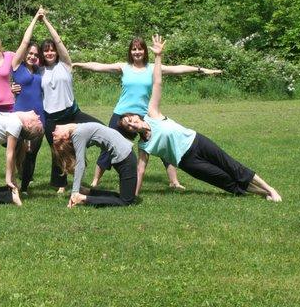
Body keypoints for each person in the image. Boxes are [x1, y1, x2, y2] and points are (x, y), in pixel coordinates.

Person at [118, 35, 282, 202]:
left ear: (136, 116)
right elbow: (140, 170)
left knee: (231, 166)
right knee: (223, 180)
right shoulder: (144, 145)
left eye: (131, 119)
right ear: (130, 131)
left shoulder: (152, 114)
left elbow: (157, 83)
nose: (132, 123)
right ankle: (263, 194)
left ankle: (270, 189)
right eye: (128, 126)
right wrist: (134, 195)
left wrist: (159, 56)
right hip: (187, 163)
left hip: (196, 142)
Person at [73, 38, 222, 194]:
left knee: (164, 144)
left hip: (145, 115)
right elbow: (98, 66)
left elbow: (177, 69)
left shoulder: (153, 68)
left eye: (140, 49)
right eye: (134, 49)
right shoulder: (124, 67)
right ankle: (96, 181)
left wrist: (200, 69)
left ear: (145, 51)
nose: (137, 52)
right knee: (109, 147)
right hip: (121, 115)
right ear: (130, 52)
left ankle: (174, 181)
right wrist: (78, 64)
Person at [38, 10, 102, 193]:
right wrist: (14, 88)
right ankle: (62, 184)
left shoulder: (65, 65)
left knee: (100, 130)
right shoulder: (40, 71)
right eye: (46, 50)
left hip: (72, 114)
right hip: (51, 118)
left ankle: (98, 167)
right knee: (58, 151)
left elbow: (58, 40)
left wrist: (46, 21)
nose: (50, 52)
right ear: (43, 54)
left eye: (52, 50)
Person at [52, 122, 137, 207]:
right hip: (126, 158)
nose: (53, 133)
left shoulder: (79, 128)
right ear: (65, 136)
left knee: (124, 197)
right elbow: (80, 164)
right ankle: (82, 198)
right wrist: (75, 192)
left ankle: (87, 193)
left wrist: (76, 191)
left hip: (124, 157)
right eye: (55, 136)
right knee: (126, 201)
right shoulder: (78, 133)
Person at [11, 7, 46, 194]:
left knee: (32, 153)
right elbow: (25, 41)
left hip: (39, 116)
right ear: (24, 54)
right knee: (16, 152)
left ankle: (24, 187)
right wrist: (35, 18)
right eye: (30, 53)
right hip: (19, 115)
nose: (32, 56)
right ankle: (14, 182)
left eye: (35, 54)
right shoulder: (17, 67)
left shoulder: (40, 70)